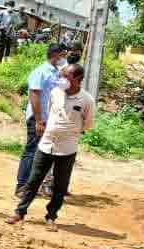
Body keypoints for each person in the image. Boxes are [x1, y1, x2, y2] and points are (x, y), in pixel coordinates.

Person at [7, 64, 94, 230]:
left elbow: (87, 124)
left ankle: (51, 216)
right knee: (33, 180)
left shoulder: (86, 100)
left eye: (66, 77)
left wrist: (70, 131)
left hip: (67, 148)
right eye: (61, 76)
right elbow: (49, 111)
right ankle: (20, 211)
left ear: (78, 79)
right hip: (46, 144)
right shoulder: (55, 93)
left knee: (60, 186)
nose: (61, 80)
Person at [16, 43, 66, 196]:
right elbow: (34, 95)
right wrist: (38, 120)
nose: (63, 58)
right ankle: (22, 186)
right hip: (39, 118)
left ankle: (35, 186)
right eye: (62, 55)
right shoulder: (41, 72)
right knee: (31, 151)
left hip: (50, 119)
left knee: (44, 153)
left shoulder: (56, 73)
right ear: (56, 55)